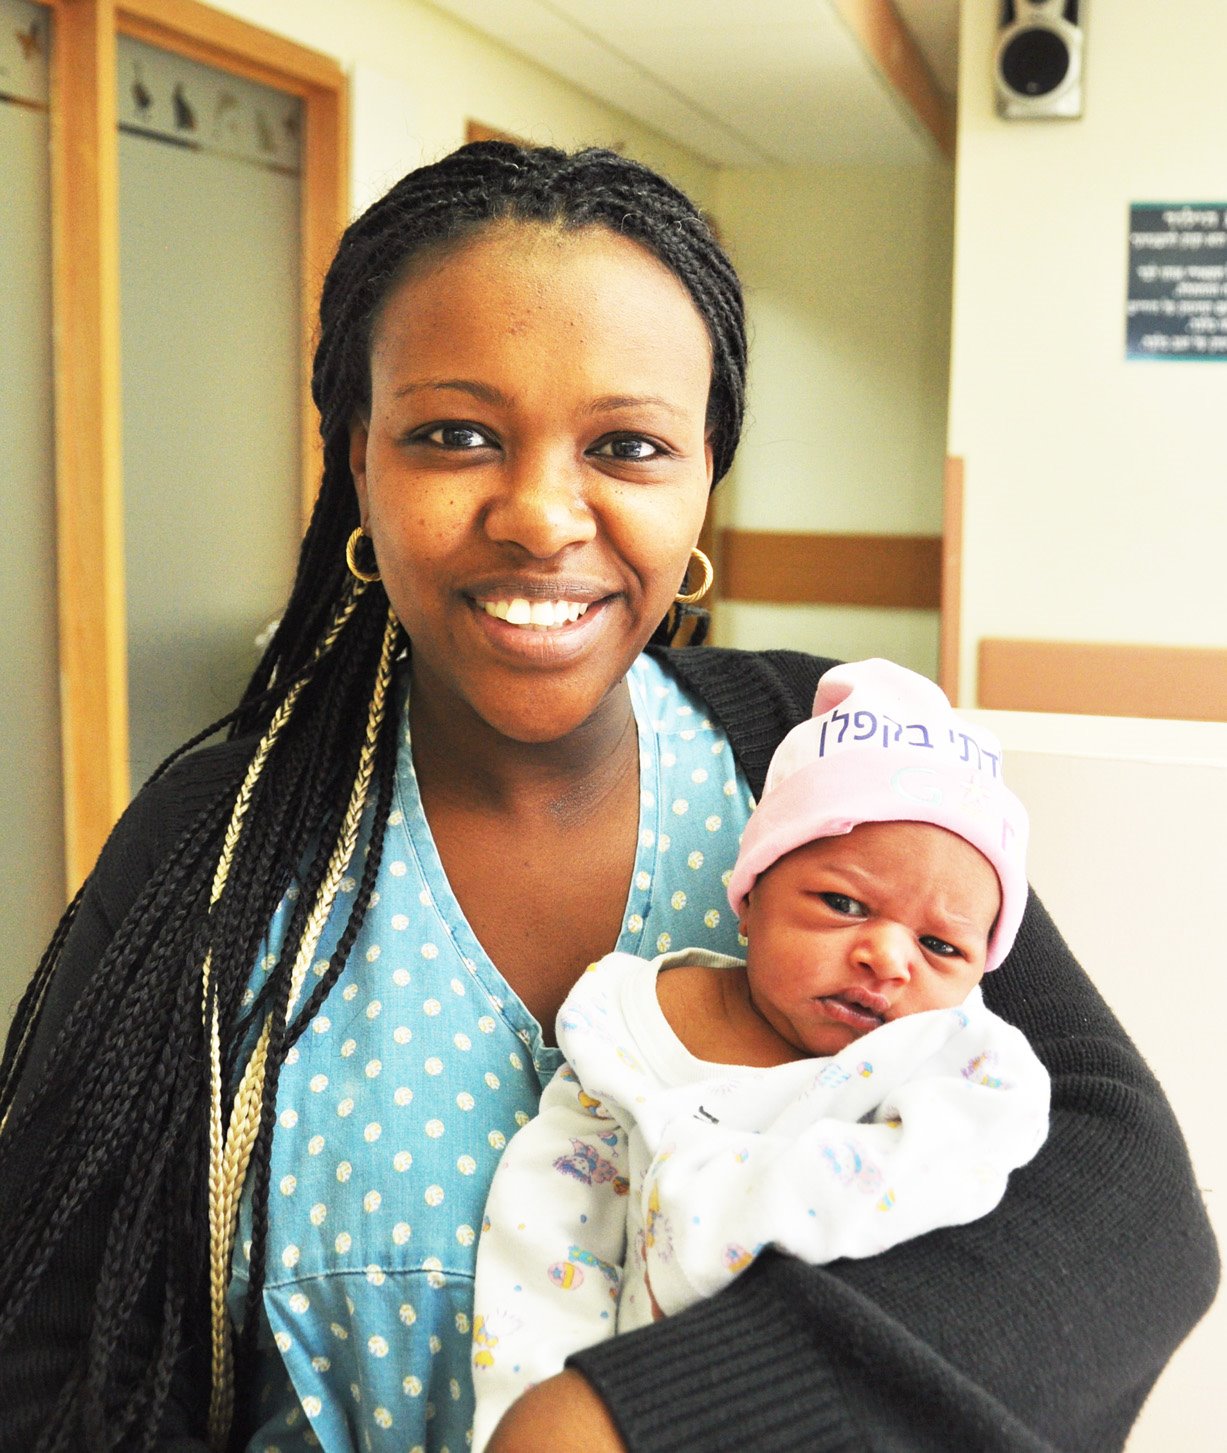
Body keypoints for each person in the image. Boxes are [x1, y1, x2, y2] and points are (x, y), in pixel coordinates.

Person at [0, 141, 1216, 1453]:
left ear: (705, 478)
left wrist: (630, 1421)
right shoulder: (219, 844)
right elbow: (45, 1350)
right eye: (455, 434)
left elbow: (1126, 1214)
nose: (539, 515)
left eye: (627, 446)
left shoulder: (823, 764)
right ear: (359, 462)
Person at [470, 658, 1051, 1449]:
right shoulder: (630, 1031)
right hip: (630, 1413)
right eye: (842, 903)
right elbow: (542, 1239)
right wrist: (527, 1411)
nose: (886, 958)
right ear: (750, 895)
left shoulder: (959, 1062)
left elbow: (940, 1177)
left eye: (941, 945)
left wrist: (725, 1212)